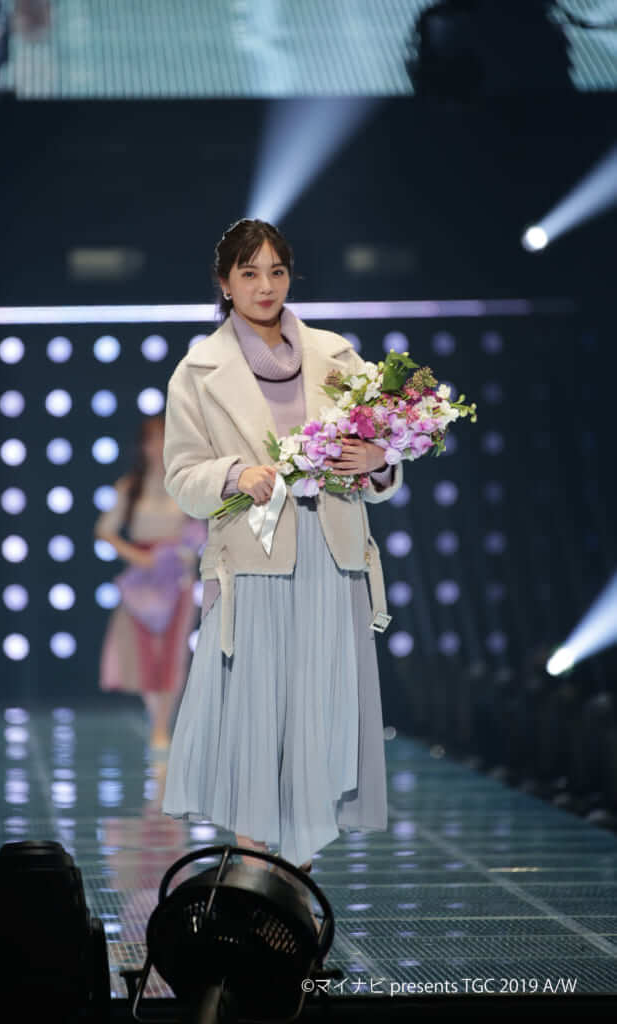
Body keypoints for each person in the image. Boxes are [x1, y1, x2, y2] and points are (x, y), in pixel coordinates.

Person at [160, 219, 403, 876]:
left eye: (276, 271)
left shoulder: (338, 357)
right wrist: (235, 475)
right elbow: (181, 477)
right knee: (254, 712)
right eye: (249, 274)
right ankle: (251, 874)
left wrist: (378, 461)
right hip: (253, 560)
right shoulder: (198, 371)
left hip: (331, 555)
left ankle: (297, 885)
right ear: (224, 283)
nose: (265, 286)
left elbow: (381, 453)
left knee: (320, 714)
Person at [95, 415, 205, 748]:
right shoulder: (130, 488)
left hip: (177, 579)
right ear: (142, 446)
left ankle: (161, 727)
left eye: (162, 438)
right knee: (144, 654)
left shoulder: (184, 483)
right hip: (141, 582)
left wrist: (185, 550)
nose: (156, 447)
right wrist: (137, 556)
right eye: (150, 440)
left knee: (173, 653)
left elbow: (199, 530)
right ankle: (156, 719)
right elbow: (105, 531)